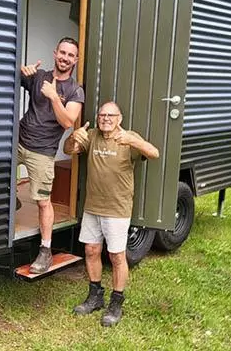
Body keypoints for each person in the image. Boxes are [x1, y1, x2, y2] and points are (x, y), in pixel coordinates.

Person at [65, 101, 159, 326]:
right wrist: (73, 138)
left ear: (120, 118)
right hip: (92, 207)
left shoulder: (129, 137)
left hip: (117, 208)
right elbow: (69, 151)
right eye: (102, 115)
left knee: (117, 256)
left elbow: (154, 153)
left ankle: (116, 302)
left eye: (111, 115)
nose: (105, 118)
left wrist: (133, 141)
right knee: (91, 250)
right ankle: (95, 295)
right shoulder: (92, 135)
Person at [18, 37, 85, 274]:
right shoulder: (40, 76)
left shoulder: (76, 91)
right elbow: (17, 78)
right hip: (18, 140)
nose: (65, 58)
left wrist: (54, 96)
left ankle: (45, 251)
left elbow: (67, 121)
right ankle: (11, 200)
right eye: (62, 53)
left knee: (42, 201)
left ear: (75, 60)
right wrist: (23, 71)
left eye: (70, 55)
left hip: (43, 152)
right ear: (55, 53)